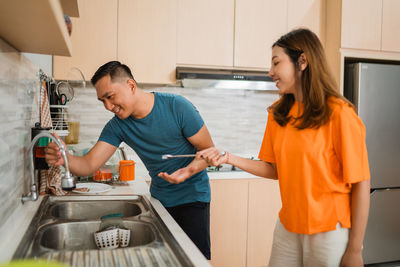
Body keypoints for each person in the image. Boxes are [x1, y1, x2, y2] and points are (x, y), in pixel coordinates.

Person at [198, 28, 370, 267]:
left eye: (276, 63)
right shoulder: (278, 114)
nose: (271, 72)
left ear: (303, 61)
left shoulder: (340, 114)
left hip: (329, 231)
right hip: (288, 228)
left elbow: (361, 183)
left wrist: (355, 249)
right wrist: (228, 158)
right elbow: (273, 168)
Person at [45, 61, 214, 259]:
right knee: (166, 259)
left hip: (192, 199)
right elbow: (89, 165)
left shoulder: (177, 107)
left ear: (131, 86)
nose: (108, 106)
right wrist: (64, 157)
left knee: (194, 260)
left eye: (110, 97)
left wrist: (187, 172)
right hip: (160, 199)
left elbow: (208, 150)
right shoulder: (117, 126)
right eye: (102, 101)